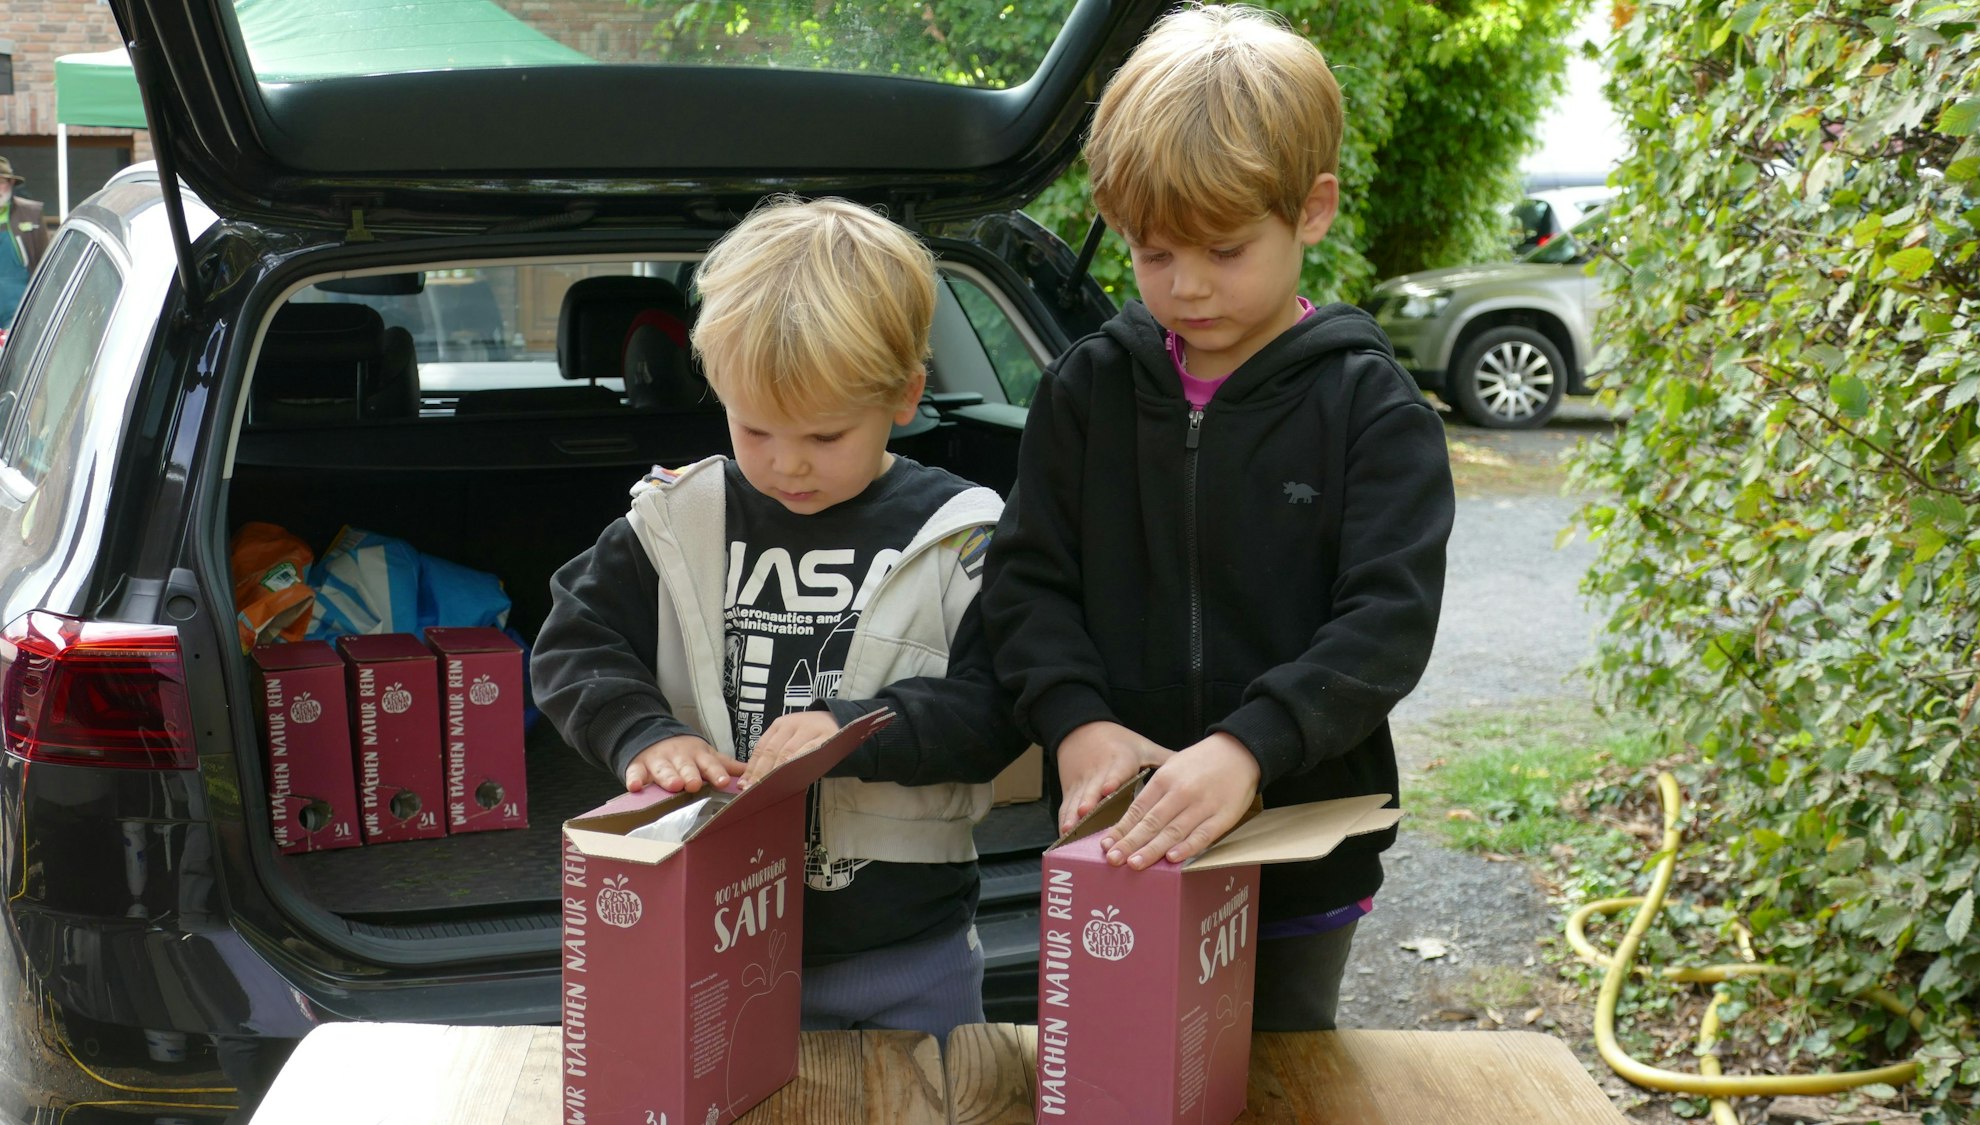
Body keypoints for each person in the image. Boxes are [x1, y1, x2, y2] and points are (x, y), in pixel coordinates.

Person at [982, 4, 1454, 1032]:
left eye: (1223, 249)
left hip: (1298, 855)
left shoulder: (1370, 408)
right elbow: (1022, 582)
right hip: (1115, 848)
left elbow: (1385, 622)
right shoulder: (1085, 392)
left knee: (1285, 1076)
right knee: (1116, 1071)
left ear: (1312, 210)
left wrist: (1249, 748)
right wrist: (1074, 723)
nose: (1185, 287)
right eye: (1153, 255)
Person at [531, 195, 1023, 1043]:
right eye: (755, 428)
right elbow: (573, 643)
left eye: (827, 435)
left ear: (907, 395)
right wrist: (645, 736)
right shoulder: (677, 520)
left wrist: (854, 729)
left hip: (912, 956)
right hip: (706, 943)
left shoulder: (963, 535)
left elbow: (1002, 703)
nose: (787, 463)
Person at [1, 156, 52, 326]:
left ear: (11, 184)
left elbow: (47, 265)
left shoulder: (31, 213)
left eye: (1, 181)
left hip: (21, 313)